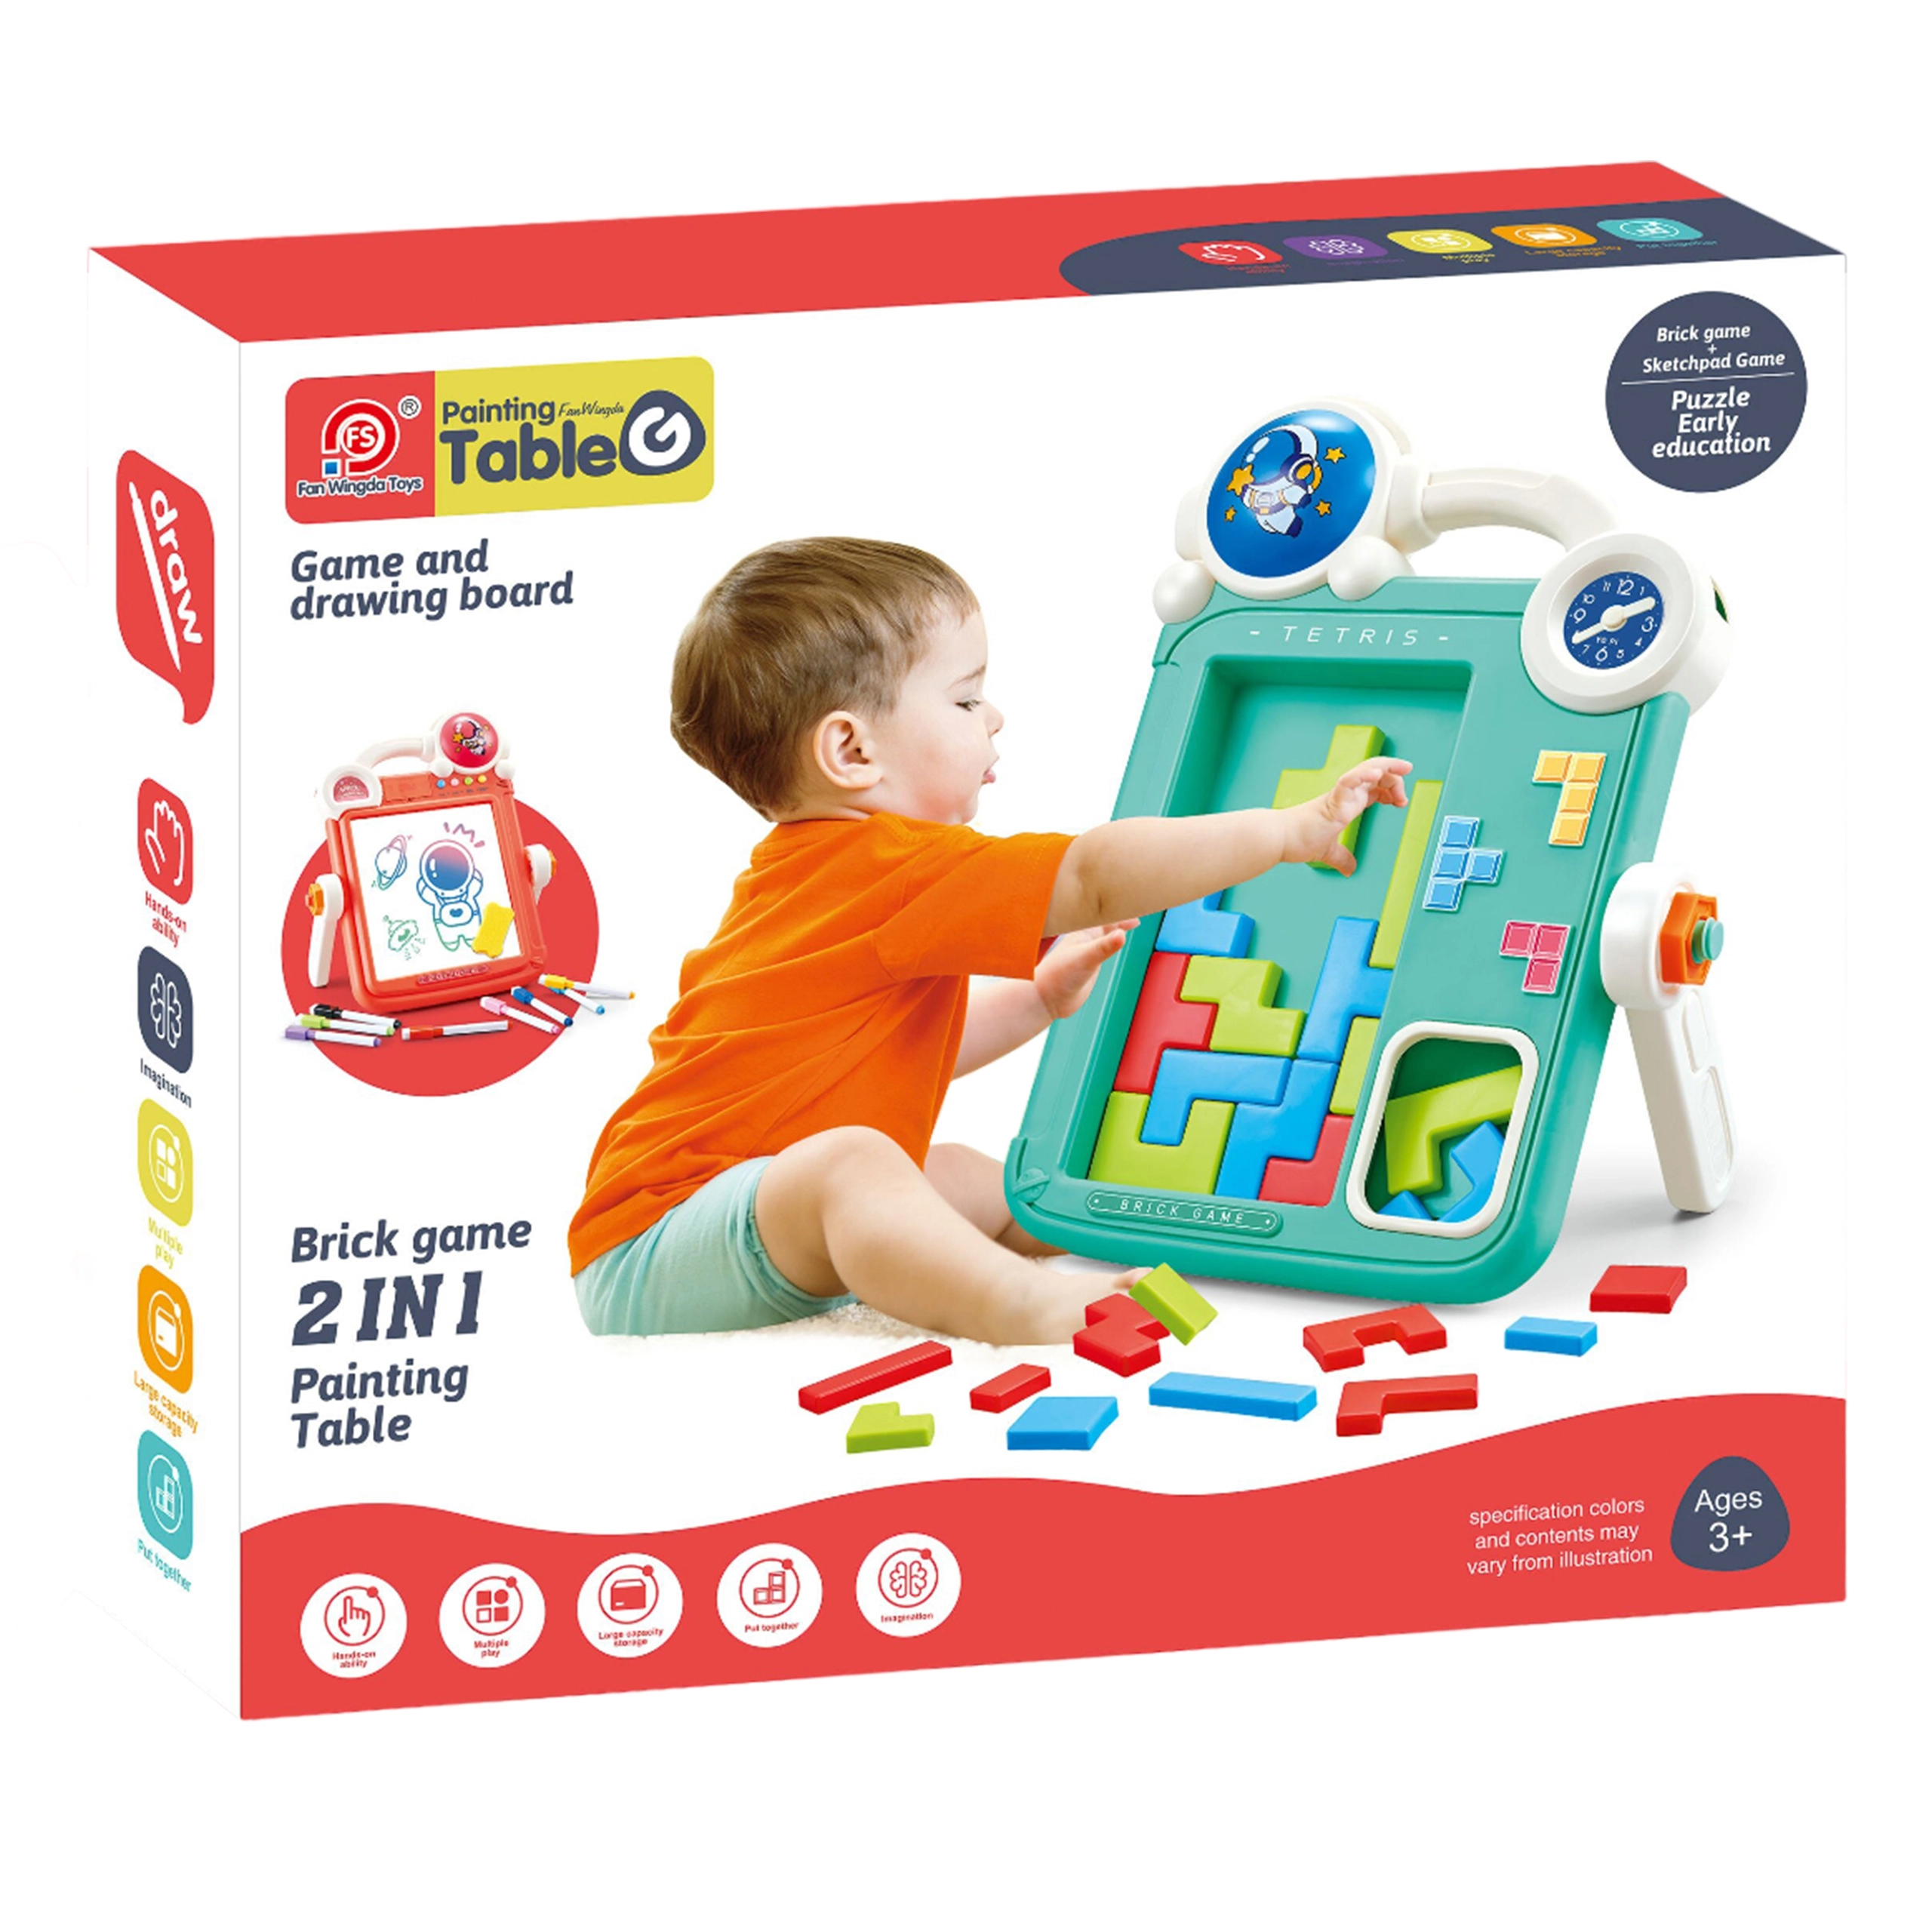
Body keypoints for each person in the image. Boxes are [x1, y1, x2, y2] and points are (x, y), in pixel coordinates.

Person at [569, 537, 1409, 1343]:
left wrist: (1036, 999)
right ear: (851, 750)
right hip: (659, 1240)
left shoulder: (820, 877)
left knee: (965, 1178)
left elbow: (899, 1053)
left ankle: (1071, 1234)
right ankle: (1021, 1305)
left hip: (740, 1220)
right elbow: (1095, 874)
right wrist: (1284, 832)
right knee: (856, 1165)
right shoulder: (888, 867)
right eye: (967, 700)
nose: (995, 716)